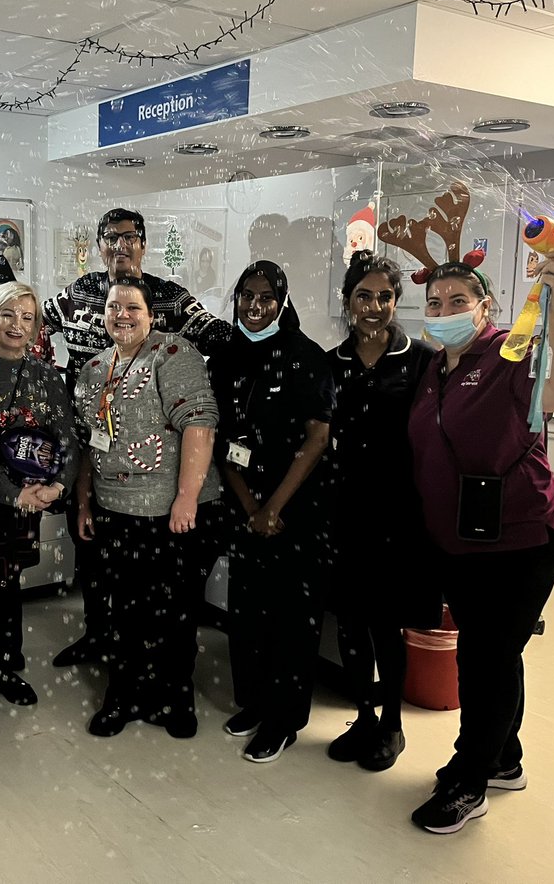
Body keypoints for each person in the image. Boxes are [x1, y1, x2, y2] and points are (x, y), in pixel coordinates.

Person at [407, 249, 554, 834]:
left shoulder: (511, 354)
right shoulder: (435, 367)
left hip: (520, 539)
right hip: (460, 542)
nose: (444, 311)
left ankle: (470, 780)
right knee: (493, 652)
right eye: (435, 303)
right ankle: (504, 758)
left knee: (484, 658)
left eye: (458, 301)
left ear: (486, 307)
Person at [43, 208, 232, 668]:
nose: (120, 246)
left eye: (130, 238)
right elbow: (30, 326)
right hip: (93, 444)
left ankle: (156, 663)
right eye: (111, 238)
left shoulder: (167, 298)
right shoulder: (78, 293)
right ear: (100, 244)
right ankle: (100, 636)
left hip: (158, 468)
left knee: (157, 579)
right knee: (93, 553)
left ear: (144, 244)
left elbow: (221, 338)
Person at [74, 277, 222, 739]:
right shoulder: (95, 368)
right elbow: (89, 444)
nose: (122, 314)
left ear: (151, 315)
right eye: (113, 306)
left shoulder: (172, 353)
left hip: (171, 514)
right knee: (124, 612)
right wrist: (84, 501)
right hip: (116, 511)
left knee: (173, 612)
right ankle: (123, 694)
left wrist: (185, 498)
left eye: (133, 307)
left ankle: (175, 697)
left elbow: (199, 423)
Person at [208, 261, 334, 763]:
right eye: (246, 296)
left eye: (265, 298)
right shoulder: (224, 357)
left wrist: (274, 508)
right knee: (249, 612)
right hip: (246, 505)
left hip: (296, 510)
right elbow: (221, 438)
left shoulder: (307, 359)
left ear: (282, 302)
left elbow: (317, 438)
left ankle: (284, 718)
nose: (254, 307)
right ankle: (254, 702)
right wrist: (250, 507)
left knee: (291, 620)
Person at [322, 251, 439, 772]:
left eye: (384, 297)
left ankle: (392, 722)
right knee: (349, 621)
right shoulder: (332, 363)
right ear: (348, 301)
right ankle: (364, 715)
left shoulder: (422, 362)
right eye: (363, 296)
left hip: (398, 516)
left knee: (386, 624)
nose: (373, 307)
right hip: (343, 512)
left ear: (397, 300)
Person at [0, 282, 80, 721]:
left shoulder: (45, 374)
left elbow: (67, 438)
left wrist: (57, 486)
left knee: (8, 585)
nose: (16, 325)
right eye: (7, 315)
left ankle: (4, 667)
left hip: (29, 503)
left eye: (27, 318)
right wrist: (11, 492)